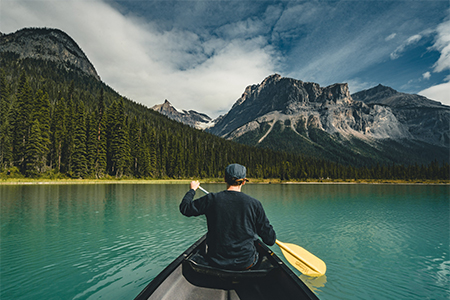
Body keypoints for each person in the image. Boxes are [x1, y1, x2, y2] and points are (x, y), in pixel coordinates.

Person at [179, 163, 276, 270]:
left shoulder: (211, 199)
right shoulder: (254, 204)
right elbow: (270, 240)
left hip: (215, 262)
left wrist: (192, 190)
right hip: (245, 263)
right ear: (244, 181)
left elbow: (185, 208)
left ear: (225, 179)